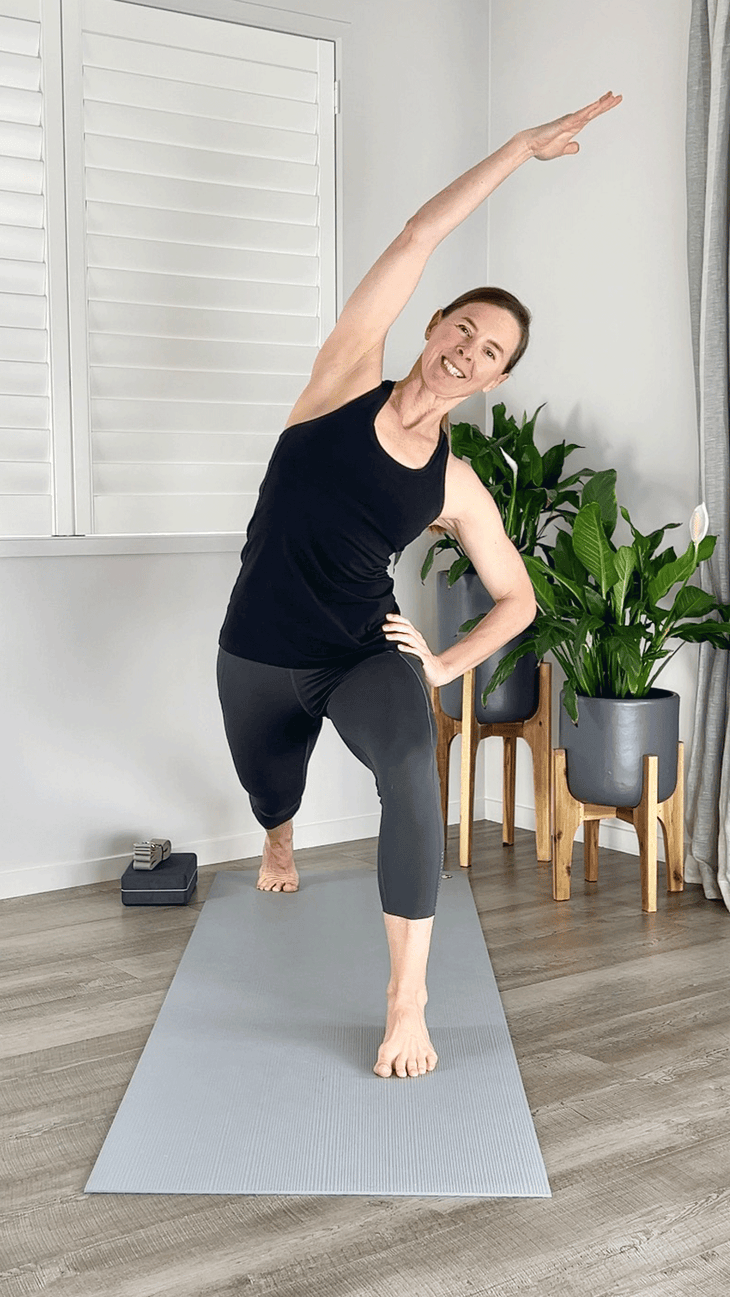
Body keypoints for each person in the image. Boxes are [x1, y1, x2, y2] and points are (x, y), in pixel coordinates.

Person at [217, 91, 622, 1080]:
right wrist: (517, 153)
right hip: (259, 651)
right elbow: (417, 232)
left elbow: (520, 599)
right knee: (270, 784)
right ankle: (279, 836)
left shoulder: (454, 483)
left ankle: (407, 1001)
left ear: (489, 383)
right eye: (464, 330)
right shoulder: (343, 376)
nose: (466, 353)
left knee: (410, 774)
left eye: (489, 356)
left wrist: (443, 660)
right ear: (435, 322)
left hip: (362, 652)